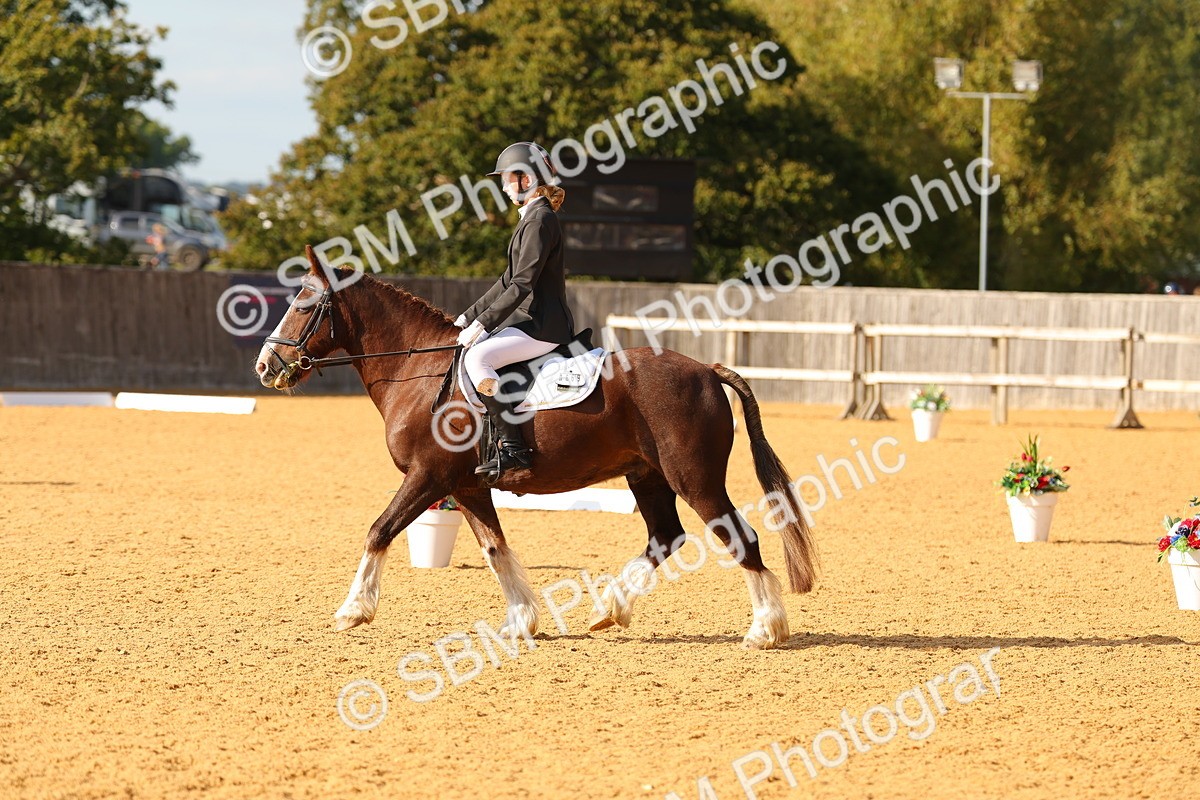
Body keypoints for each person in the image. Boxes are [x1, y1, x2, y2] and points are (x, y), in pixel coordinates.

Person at [455, 142, 576, 480]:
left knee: (478, 359)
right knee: (476, 350)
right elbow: (505, 280)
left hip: (544, 328)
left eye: (507, 179)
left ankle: (513, 448)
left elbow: (521, 284)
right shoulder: (533, 219)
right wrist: (466, 317)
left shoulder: (539, 221)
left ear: (526, 179)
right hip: (531, 322)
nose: (504, 187)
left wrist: (483, 325)